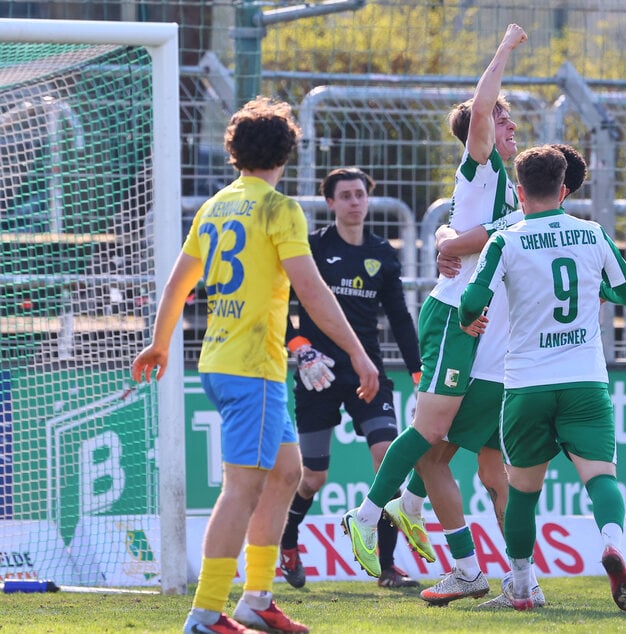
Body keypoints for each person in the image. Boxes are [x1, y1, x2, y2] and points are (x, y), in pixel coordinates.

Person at [131, 96, 379, 634]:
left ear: (235, 151)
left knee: (287, 473)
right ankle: (204, 612)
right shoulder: (278, 208)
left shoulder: (217, 205)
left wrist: (160, 342)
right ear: (287, 149)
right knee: (242, 487)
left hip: (224, 361)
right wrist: (359, 352)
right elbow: (311, 291)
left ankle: (256, 599)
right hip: (251, 368)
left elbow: (179, 281)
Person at [340, 23, 527, 604]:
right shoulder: (484, 165)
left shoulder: (514, 190)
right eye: (502, 118)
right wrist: (503, 50)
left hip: (488, 327)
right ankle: (370, 515)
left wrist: (450, 238)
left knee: (450, 454)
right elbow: (479, 123)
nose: (511, 125)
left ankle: (448, 542)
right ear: (480, 129)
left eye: (509, 118)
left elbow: (472, 237)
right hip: (453, 317)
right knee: (432, 432)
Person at [458, 144, 626, 612]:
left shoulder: (507, 239)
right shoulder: (591, 233)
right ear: (563, 190)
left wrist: (469, 320)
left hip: (526, 384)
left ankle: (521, 586)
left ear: (520, 192)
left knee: (521, 490)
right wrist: (595, 290)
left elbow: (471, 300)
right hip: (584, 379)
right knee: (601, 478)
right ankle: (612, 544)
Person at [416, 142, 589, 609]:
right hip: (532, 372)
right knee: (497, 475)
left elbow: (473, 287)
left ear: (527, 187)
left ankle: (467, 569)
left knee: (429, 456)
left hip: (490, 369)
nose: (508, 130)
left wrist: (446, 243)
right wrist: (446, 238)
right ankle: (524, 582)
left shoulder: (516, 228)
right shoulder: (579, 234)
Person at [278, 167, 423, 590]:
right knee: (313, 477)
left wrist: (417, 369)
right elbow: (279, 310)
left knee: (388, 459)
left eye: (360, 195)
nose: (355, 202)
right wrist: (299, 346)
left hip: (367, 372)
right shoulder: (313, 249)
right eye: (345, 196)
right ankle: (288, 542)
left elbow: (398, 316)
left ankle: (387, 566)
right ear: (330, 203)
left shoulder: (383, 252)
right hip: (318, 374)